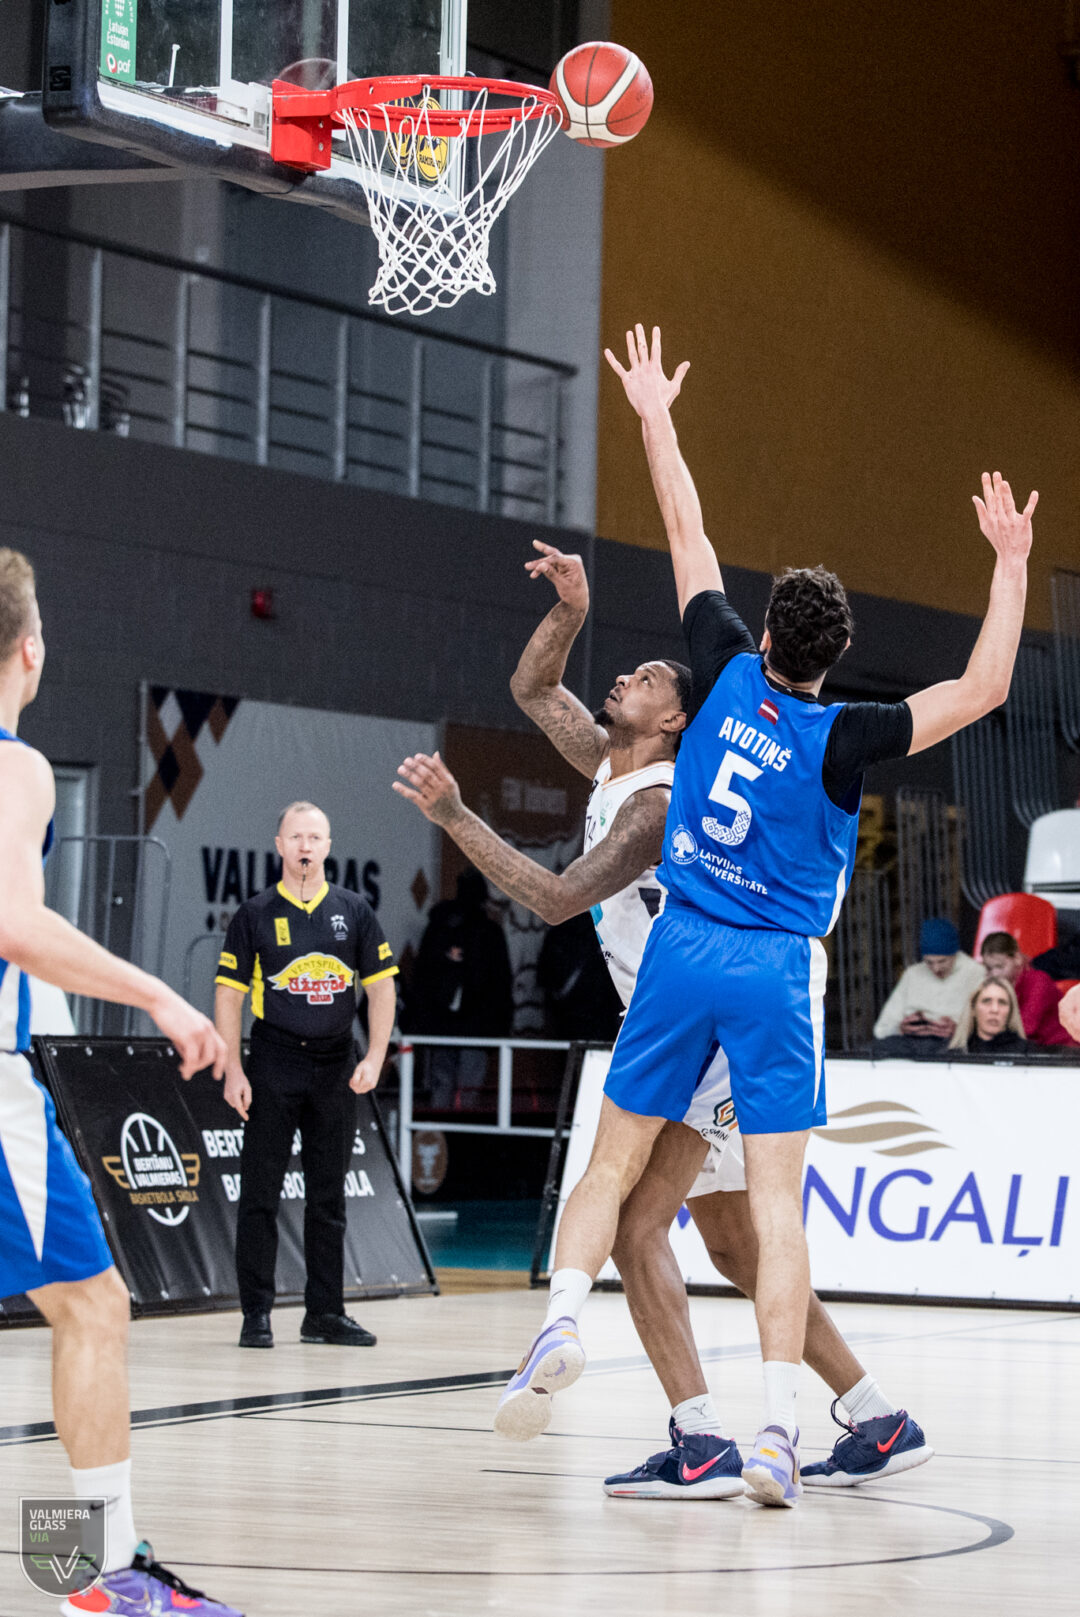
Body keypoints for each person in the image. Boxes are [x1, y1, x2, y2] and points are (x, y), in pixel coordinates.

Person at [483, 322, 1035, 1508]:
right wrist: (1009, 564)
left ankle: (572, 1326)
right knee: (761, 1222)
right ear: (839, 657)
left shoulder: (723, 673)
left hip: (686, 950)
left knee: (627, 1187)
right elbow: (986, 686)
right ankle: (785, 1427)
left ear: (767, 635)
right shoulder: (847, 737)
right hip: (780, 968)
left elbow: (686, 525)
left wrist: (654, 413)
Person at [395, 540, 930, 1497]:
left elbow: (555, 897)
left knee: (638, 1226)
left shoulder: (656, 804)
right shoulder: (613, 761)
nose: (625, 677)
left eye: (645, 676)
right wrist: (570, 609)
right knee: (732, 1247)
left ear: (678, 717)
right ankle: (877, 1415)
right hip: (687, 1013)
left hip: (702, 1027)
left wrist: (457, 818)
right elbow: (533, 689)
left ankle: (702, 1437)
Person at [0, 548, 242, 1615]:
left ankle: (94, 1568)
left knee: (80, 1304)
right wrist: (161, 997)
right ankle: (100, 1577)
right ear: (32, 650)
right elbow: (15, 925)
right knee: (93, 1306)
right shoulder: (14, 768)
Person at [214, 801, 398, 1349]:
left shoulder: (354, 911)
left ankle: (325, 1313)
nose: (305, 846)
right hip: (274, 1060)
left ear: (328, 846)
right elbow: (228, 995)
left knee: (328, 1197)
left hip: (336, 1064)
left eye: (315, 837)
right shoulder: (254, 913)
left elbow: (381, 987)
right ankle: (256, 1314)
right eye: (296, 837)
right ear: (279, 845)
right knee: (260, 1194)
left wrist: (375, 1056)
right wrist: (232, 1068)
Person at [406, 867, 513, 1109]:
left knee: (446, 1087)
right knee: (464, 1091)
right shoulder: (484, 932)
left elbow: (422, 977)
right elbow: (500, 984)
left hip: (451, 1025)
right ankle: (453, 1133)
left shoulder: (440, 928)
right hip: (469, 1026)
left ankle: (444, 1131)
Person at [872, 918, 985, 1057]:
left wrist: (960, 1030)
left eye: (942, 961)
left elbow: (987, 1027)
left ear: (954, 955)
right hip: (911, 1043)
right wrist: (901, 1028)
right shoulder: (912, 974)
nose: (936, 968)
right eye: (929, 962)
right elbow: (882, 1028)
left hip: (953, 1044)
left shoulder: (976, 972)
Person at [979, 930, 1073, 1046]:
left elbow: (1025, 1028)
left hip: (1060, 1048)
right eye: (988, 969)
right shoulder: (995, 988)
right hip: (1027, 1048)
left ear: (1017, 959)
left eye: (999, 966)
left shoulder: (1039, 982)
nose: (994, 974)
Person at [948, 978, 1027, 1055]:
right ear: (973, 1009)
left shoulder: (1028, 1053)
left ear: (1010, 1011)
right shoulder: (954, 1056)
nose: (994, 1009)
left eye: (1002, 1002)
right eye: (987, 1001)